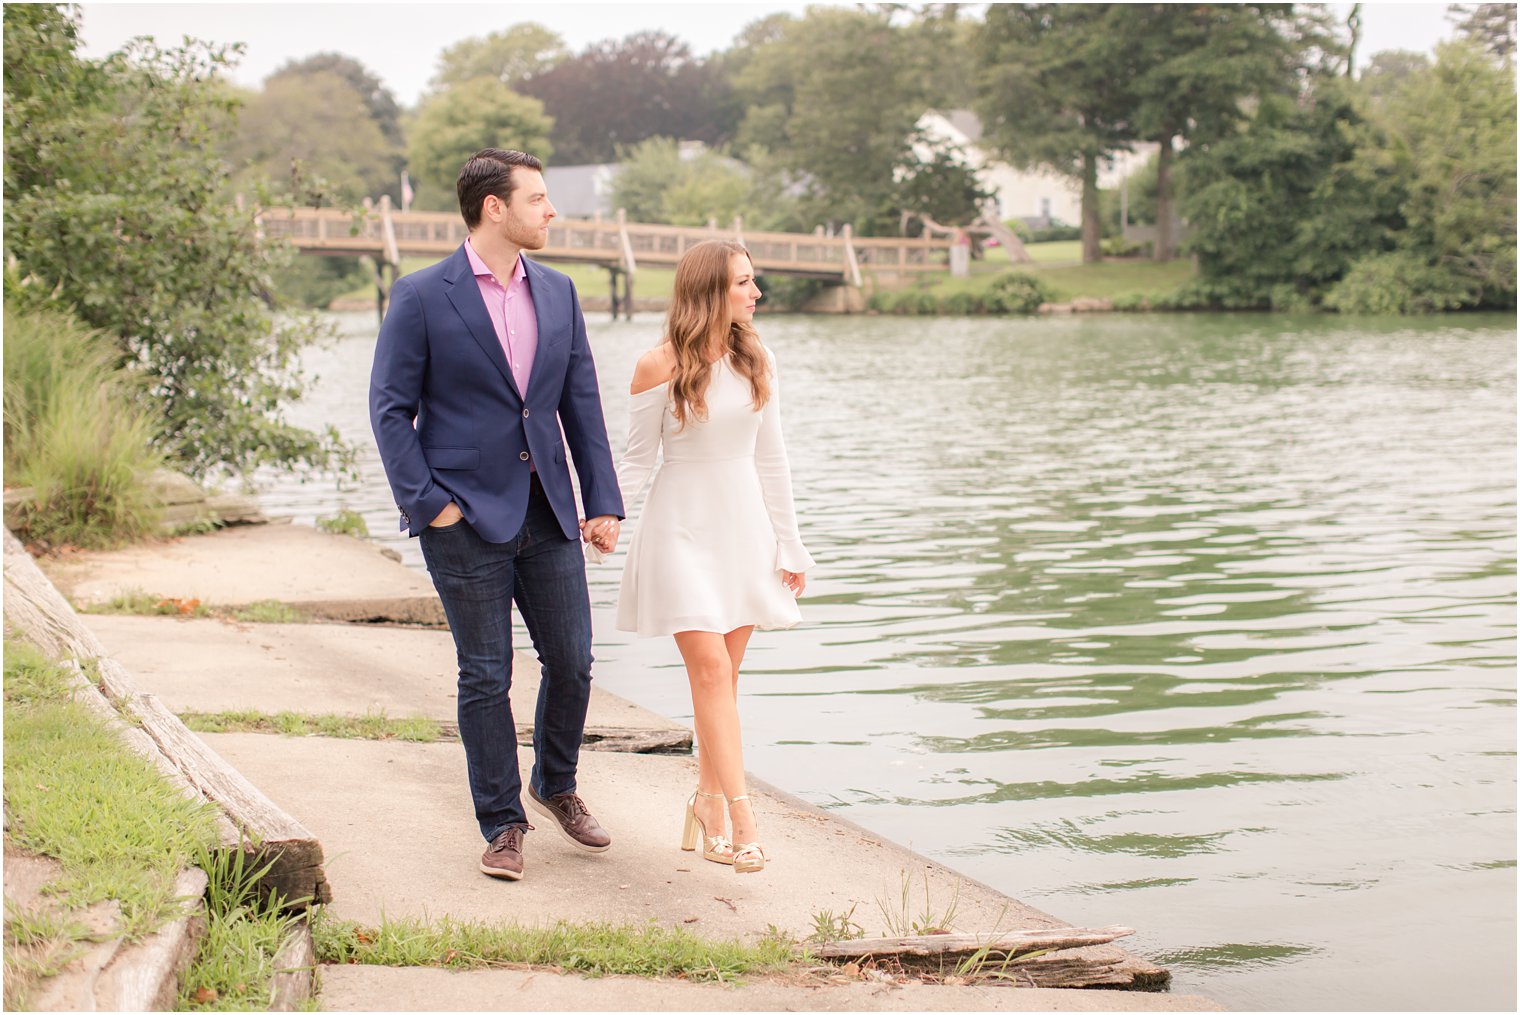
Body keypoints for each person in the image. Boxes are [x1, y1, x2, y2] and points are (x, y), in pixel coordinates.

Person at [370, 148, 625, 882]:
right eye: (538, 199)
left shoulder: (560, 291)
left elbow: (581, 402)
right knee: (485, 674)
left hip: (547, 507)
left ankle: (555, 781)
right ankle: (503, 823)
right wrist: (430, 505)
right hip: (463, 515)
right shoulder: (420, 295)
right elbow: (390, 408)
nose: (550, 211)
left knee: (573, 659)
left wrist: (601, 499)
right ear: (495, 208)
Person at [586, 239, 813, 875]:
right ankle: (744, 818)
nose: (756, 292)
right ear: (711, 290)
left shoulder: (756, 358)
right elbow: (635, 458)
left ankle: (706, 803)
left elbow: (773, 459)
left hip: (743, 530)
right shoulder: (657, 365)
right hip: (679, 530)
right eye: (744, 282)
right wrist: (608, 516)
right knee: (711, 671)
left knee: (723, 681)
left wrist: (790, 543)